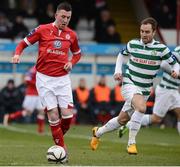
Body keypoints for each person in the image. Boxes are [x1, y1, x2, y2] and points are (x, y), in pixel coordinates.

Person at [90, 17, 179, 154]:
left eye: (147, 32)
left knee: (122, 120)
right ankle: (131, 143)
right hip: (129, 83)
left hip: (144, 90)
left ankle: (98, 133)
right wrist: (118, 71)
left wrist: (176, 71)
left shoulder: (161, 49)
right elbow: (121, 55)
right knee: (142, 108)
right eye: (142, 31)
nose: (144, 34)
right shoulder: (133, 44)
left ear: (154, 32)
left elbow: (175, 63)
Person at [12, 1, 82, 156]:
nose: (65, 20)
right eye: (62, 16)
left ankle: (57, 139)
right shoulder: (42, 29)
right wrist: (17, 54)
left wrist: (71, 62)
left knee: (68, 116)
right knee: (53, 114)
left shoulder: (72, 35)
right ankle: (62, 150)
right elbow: (22, 44)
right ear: (56, 15)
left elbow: (77, 54)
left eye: (68, 17)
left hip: (63, 79)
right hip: (44, 79)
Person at [119, 46, 180, 136]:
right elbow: (164, 64)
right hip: (166, 90)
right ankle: (128, 124)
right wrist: (176, 74)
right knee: (156, 119)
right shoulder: (179, 50)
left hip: (174, 90)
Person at [3, 66, 45, 134]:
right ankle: (9, 117)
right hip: (31, 94)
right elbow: (27, 79)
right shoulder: (34, 69)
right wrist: (37, 84)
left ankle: (40, 130)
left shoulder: (44, 68)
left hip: (39, 94)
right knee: (28, 112)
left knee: (42, 111)